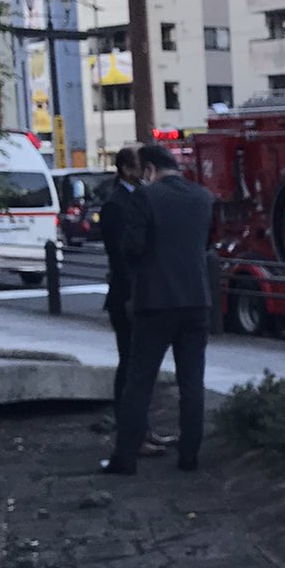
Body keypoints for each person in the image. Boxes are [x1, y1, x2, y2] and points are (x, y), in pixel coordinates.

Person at [103, 144, 216, 477]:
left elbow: (132, 248)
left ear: (150, 169)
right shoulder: (201, 197)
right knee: (192, 382)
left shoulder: (145, 197)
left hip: (156, 301)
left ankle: (125, 458)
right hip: (197, 300)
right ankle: (190, 455)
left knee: (140, 380)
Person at [96, 148, 163, 458]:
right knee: (131, 365)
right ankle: (133, 434)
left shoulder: (133, 197)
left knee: (138, 365)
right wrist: (131, 294)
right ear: (125, 169)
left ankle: (141, 430)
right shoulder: (116, 205)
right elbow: (121, 257)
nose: (143, 172)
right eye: (138, 167)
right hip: (126, 294)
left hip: (135, 292)